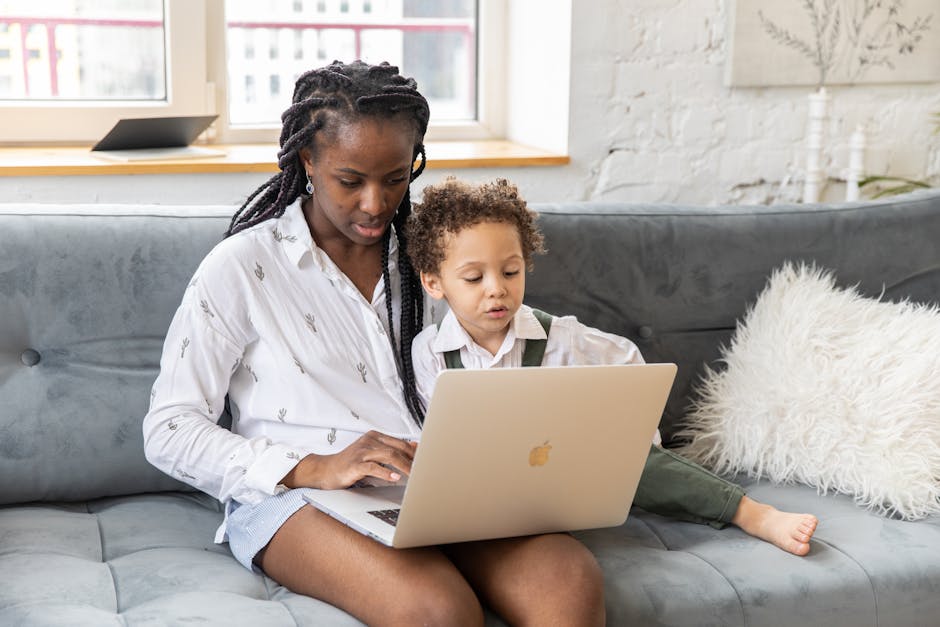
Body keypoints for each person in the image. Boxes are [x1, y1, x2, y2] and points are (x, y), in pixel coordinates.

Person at [143, 60, 605, 626]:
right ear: (307, 160)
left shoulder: (437, 256)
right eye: (351, 181)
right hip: (298, 499)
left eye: (395, 178)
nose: (375, 203)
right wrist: (311, 466)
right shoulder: (242, 266)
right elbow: (169, 428)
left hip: (445, 486)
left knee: (567, 579)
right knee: (437, 610)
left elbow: (496, 357)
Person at [405, 176, 819, 556]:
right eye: (474, 278)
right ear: (434, 282)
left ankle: (751, 512)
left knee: (633, 461)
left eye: (510, 271)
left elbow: (627, 361)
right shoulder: (430, 352)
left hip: (565, 472)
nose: (497, 288)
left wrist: (639, 438)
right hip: (488, 488)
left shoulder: (561, 337)